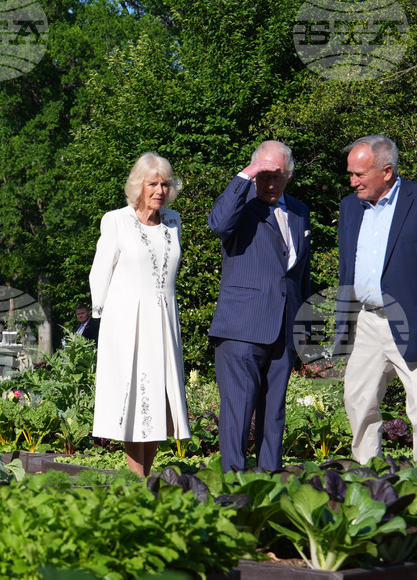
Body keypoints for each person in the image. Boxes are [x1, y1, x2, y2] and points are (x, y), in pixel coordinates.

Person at [337, 134, 417, 464]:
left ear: (386, 170)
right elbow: (345, 268)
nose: (352, 181)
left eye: (359, 174)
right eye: (350, 174)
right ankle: (368, 473)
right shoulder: (349, 207)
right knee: (358, 399)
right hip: (366, 321)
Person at [208, 140, 312, 472]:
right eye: (262, 175)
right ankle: (234, 483)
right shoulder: (241, 205)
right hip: (241, 327)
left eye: (276, 176)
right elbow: (219, 223)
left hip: (284, 326)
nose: (269, 183)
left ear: (289, 176)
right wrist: (246, 175)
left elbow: (300, 275)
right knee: (238, 409)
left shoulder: (299, 211)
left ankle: (270, 476)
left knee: (274, 410)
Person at [89, 152, 191, 477]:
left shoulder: (173, 221)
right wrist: (98, 317)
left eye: (164, 184)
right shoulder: (116, 220)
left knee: (158, 402)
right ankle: (137, 481)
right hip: (126, 325)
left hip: (163, 322)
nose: (159, 190)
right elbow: (99, 274)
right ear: (139, 185)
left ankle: (146, 478)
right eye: (153, 184)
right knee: (134, 402)